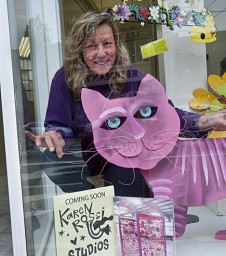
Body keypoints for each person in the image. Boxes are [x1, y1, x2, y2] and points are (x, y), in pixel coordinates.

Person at [26, 11, 226, 198]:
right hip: (84, 157)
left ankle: (129, 215)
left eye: (107, 44)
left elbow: (165, 115)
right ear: (80, 49)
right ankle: (96, 202)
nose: (101, 53)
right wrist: (56, 136)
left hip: (122, 153)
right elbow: (59, 124)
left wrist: (204, 121)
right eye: (92, 46)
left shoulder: (130, 76)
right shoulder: (64, 78)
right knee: (51, 160)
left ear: (116, 45)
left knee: (130, 177)